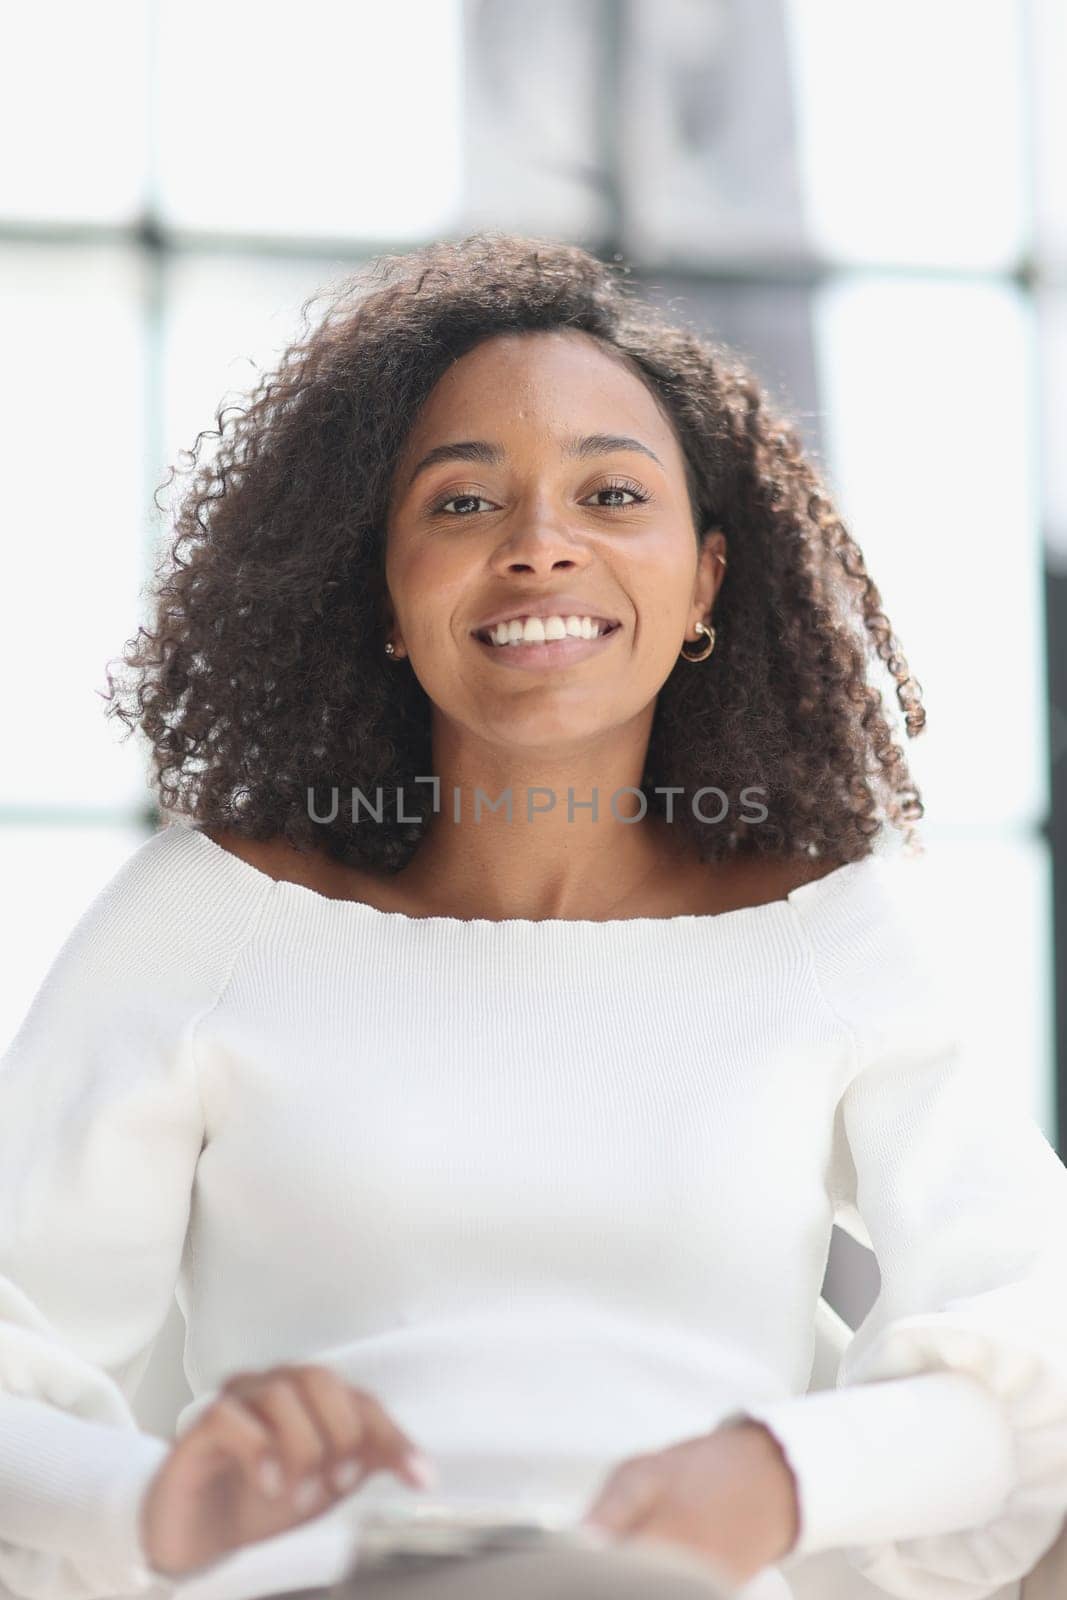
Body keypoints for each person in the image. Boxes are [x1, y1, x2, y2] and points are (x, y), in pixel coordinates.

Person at [2, 231, 1067, 1600]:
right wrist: (162, 1503)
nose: (540, 549)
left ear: (706, 581)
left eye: (613, 493)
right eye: (460, 506)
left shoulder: (835, 931)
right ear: (381, 590)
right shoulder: (210, 920)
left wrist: (783, 1475)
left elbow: (1038, 1326)